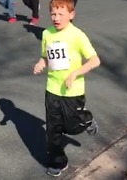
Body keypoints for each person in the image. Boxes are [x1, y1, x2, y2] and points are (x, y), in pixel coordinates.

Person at [33, 0, 100, 177]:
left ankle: (86, 118)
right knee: (53, 129)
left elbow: (95, 60)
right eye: (53, 14)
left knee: (71, 126)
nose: (56, 18)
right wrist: (40, 64)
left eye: (61, 14)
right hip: (52, 89)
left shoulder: (77, 35)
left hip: (73, 91)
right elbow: (45, 57)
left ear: (71, 15)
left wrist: (75, 73)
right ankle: (58, 161)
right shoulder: (47, 33)